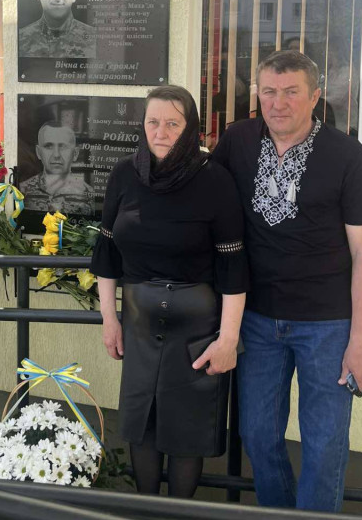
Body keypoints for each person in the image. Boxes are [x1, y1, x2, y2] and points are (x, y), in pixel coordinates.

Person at [212, 49, 362, 513]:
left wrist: (361, 340)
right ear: (257, 95)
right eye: (269, 91)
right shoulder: (238, 141)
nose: (278, 103)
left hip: (327, 325)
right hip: (256, 320)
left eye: (291, 92)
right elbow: (206, 203)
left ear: (315, 96)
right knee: (257, 435)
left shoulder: (348, 157)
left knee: (324, 443)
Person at [90, 85, 248, 498]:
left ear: (190, 127)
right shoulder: (124, 174)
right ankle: (147, 509)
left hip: (197, 331)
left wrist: (228, 339)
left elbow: (233, 267)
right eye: (153, 122)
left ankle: (180, 511)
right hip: (139, 326)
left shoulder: (215, 180)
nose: (161, 132)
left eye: (173, 124)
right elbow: (106, 254)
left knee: (187, 429)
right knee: (142, 423)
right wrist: (109, 320)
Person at [20, 122, 94, 215]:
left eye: (63, 146)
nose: (56, 155)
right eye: (49, 146)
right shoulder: (23, 190)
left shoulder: (87, 194)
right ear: (38, 152)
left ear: (75, 153)